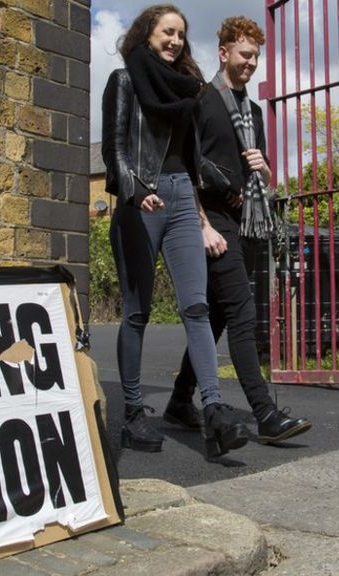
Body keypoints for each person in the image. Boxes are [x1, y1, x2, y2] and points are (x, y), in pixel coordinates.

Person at [101, 4, 248, 459]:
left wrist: (229, 178)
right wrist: (133, 189)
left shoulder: (190, 90)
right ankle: (131, 414)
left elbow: (190, 157)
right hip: (140, 200)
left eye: (182, 34)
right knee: (137, 312)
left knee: (197, 307)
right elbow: (115, 149)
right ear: (147, 34)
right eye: (168, 32)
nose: (176, 41)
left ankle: (216, 410)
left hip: (183, 197)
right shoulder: (124, 81)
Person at [163, 16, 312, 443]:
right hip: (212, 222)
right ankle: (266, 414)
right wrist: (202, 225)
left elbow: (255, 174)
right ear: (224, 52)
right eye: (245, 55)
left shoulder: (254, 111)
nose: (251, 63)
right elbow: (184, 168)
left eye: (256, 57)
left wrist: (266, 170)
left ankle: (178, 401)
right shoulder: (201, 100)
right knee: (243, 315)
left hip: (247, 222)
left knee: (215, 321)